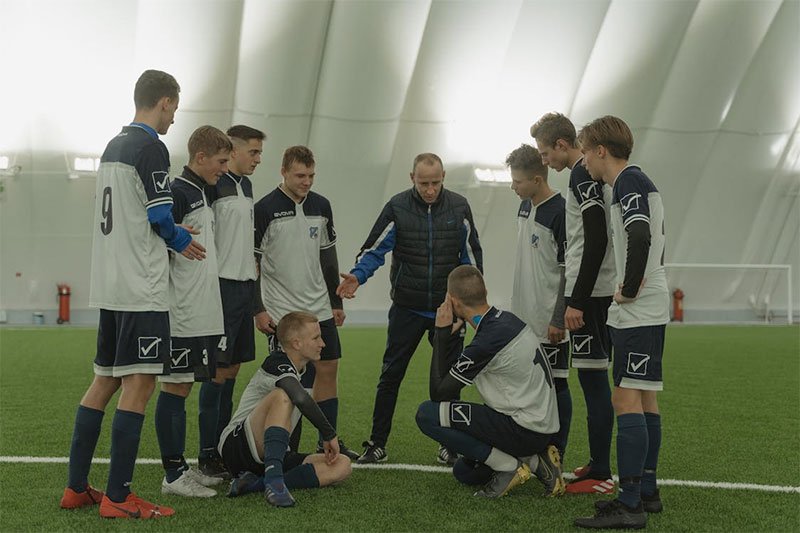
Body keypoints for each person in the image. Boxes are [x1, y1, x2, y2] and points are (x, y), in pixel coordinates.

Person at [60, 69, 204, 519]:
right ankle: (119, 499)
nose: (173, 120)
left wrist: (167, 229)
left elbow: (127, 213)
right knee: (140, 384)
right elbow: (160, 216)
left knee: (104, 381)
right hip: (141, 288)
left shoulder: (113, 146)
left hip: (110, 284)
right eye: (174, 110)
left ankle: (77, 488)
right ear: (163, 102)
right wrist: (181, 239)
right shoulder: (150, 147)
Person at [337, 152, 483, 465]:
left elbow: (471, 259)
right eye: (423, 183)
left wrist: (468, 310)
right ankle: (377, 444)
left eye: (435, 182)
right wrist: (357, 278)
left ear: (443, 177)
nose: (430, 189)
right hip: (407, 309)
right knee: (390, 376)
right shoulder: (397, 207)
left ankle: (450, 444)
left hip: (447, 312)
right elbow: (374, 250)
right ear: (411, 178)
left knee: (450, 380)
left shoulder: (459, 207)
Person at [574, 116, 668, 529]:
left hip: (639, 308)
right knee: (645, 398)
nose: (583, 162)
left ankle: (629, 504)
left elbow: (640, 236)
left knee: (625, 399)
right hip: (648, 306)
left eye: (584, 152)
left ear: (599, 150)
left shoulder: (628, 182)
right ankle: (646, 493)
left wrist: (628, 288)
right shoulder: (635, 182)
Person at [415, 265, 565, 498]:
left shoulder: (488, 341)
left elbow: (439, 393)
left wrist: (441, 333)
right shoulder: (506, 321)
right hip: (535, 427)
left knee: (426, 414)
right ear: (484, 291)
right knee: (465, 472)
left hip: (523, 429)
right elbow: (453, 375)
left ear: (453, 302)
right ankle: (537, 461)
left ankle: (509, 467)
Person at [253, 145, 358, 459]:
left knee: (328, 369)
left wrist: (336, 303)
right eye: (300, 175)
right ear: (283, 171)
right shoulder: (264, 209)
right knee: (290, 378)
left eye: (311, 175)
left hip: (320, 307)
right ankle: (287, 447)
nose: (307, 181)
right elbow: (252, 264)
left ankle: (328, 441)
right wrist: (257, 308)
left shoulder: (321, 206)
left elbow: (328, 257)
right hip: (282, 310)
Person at [531, 112, 617, 495]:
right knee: (592, 380)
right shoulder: (585, 175)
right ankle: (598, 464)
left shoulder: (582, 173)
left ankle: (601, 474)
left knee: (595, 382)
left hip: (593, 295)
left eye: (546, 152)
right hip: (595, 291)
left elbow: (595, 239)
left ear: (562, 145)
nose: (545, 160)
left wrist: (576, 300)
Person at [155, 125, 232, 498]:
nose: (223, 168)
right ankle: (172, 475)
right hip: (180, 310)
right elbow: (156, 241)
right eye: (220, 161)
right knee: (175, 385)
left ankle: (182, 467)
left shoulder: (202, 190)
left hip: (201, 309)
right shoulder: (177, 192)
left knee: (185, 385)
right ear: (200, 157)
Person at [218, 311, 352, 507]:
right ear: (297, 343)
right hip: (236, 447)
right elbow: (299, 398)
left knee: (342, 465)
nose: (322, 343)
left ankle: (256, 484)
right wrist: (328, 434)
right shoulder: (276, 362)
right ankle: (275, 483)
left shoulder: (303, 371)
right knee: (283, 396)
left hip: (270, 454)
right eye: (316, 338)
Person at [198, 125, 265, 478]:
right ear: (234, 151)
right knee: (217, 372)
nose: (258, 159)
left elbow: (248, 251)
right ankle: (207, 454)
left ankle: (222, 447)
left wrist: (256, 303)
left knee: (234, 368)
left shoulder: (247, 186)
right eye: (253, 152)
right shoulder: (214, 186)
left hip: (243, 289)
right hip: (221, 289)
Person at [504, 144, 572, 467]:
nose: (512, 186)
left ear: (536, 178)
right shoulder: (524, 207)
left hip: (549, 322)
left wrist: (558, 317)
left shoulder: (559, 212)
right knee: (528, 385)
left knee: (557, 384)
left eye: (517, 181)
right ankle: (530, 451)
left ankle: (557, 455)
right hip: (523, 319)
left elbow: (566, 271)